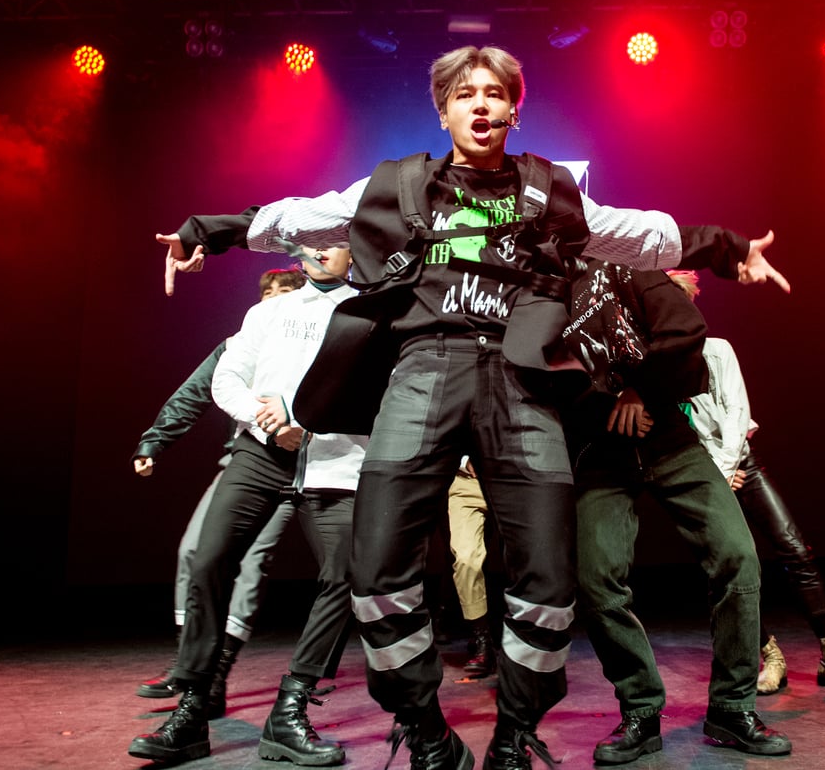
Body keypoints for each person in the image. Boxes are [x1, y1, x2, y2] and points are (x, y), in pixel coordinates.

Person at [154, 44, 789, 770]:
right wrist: (212, 230)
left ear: (514, 109)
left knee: (549, 582)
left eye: (494, 94)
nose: (481, 104)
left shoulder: (548, 189)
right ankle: (426, 732)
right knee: (377, 569)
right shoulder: (400, 183)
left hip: (520, 383)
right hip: (424, 374)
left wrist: (725, 247)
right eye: (465, 94)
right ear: (445, 109)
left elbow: (635, 232)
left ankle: (516, 731)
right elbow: (309, 216)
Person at [128, 247, 366, 767]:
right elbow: (225, 378)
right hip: (260, 454)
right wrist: (266, 421)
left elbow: (379, 394)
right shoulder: (267, 312)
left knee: (345, 575)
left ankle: (292, 707)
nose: (320, 248)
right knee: (209, 557)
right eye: (311, 239)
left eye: (334, 237)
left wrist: (311, 423)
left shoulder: (371, 313)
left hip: (335, 462)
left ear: (355, 250)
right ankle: (193, 706)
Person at [564, 261, 792, 762]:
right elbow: (543, 374)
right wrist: (609, 404)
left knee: (737, 556)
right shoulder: (548, 287)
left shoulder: (630, 273)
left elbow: (686, 340)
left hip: (670, 439)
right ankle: (641, 710)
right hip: (600, 453)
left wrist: (642, 389)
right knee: (598, 580)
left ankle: (733, 708)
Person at [671, 270, 825, 696]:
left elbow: (736, 412)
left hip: (740, 464)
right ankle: (771, 655)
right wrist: (715, 473)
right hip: (702, 473)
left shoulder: (717, 351)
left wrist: (729, 467)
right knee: (728, 567)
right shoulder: (656, 368)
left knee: (794, 548)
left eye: (681, 302)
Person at [133, 267, 305, 702]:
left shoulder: (311, 342)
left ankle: (214, 675)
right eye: (267, 291)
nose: (272, 298)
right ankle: (188, 665)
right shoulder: (239, 344)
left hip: (299, 466)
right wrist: (154, 442)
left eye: (283, 292)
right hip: (245, 461)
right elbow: (195, 392)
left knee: (249, 562)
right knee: (194, 551)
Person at [447, 457, 495, 677]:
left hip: (513, 478)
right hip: (466, 480)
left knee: (527, 557)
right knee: (466, 559)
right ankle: (482, 639)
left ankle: (528, 640)